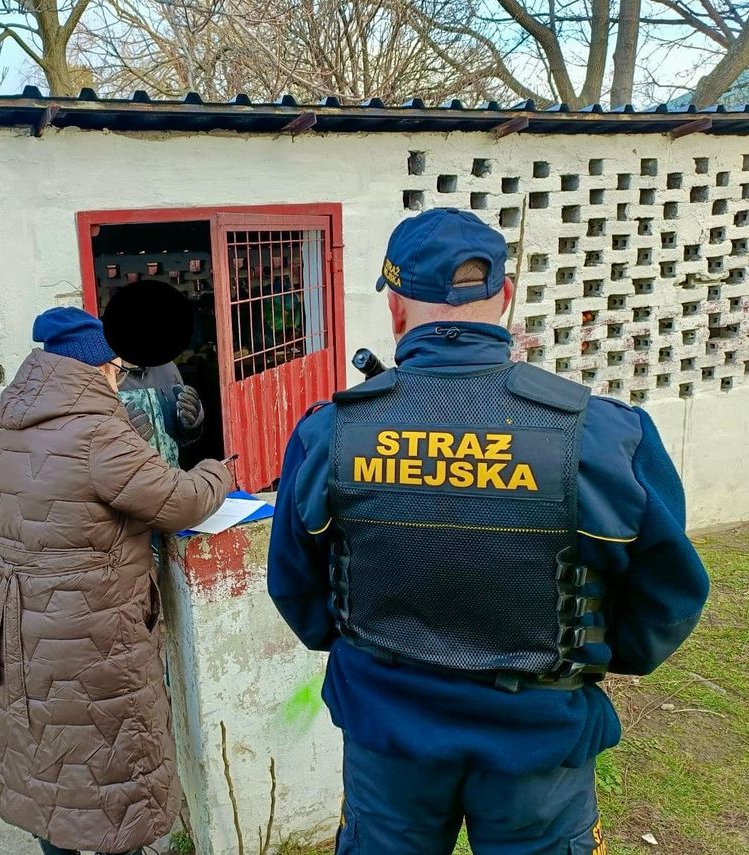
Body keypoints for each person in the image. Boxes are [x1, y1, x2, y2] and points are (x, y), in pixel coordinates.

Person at [267, 208, 710, 855]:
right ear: (504, 298)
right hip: (540, 745)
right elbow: (668, 595)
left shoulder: (328, 434)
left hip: (387, 738)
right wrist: (603, 652)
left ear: (395, 307)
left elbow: (298, 593)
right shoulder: (605, 436)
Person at [0, 307, 232, 855]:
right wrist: (219, 469)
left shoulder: (16, 425)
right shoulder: (96, 431)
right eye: (116, 369)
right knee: (108, 768)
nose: (119, 378)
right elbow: (179, 500)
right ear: (96, 369)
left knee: (50, 758)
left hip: (25, 627)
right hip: (89, 631)